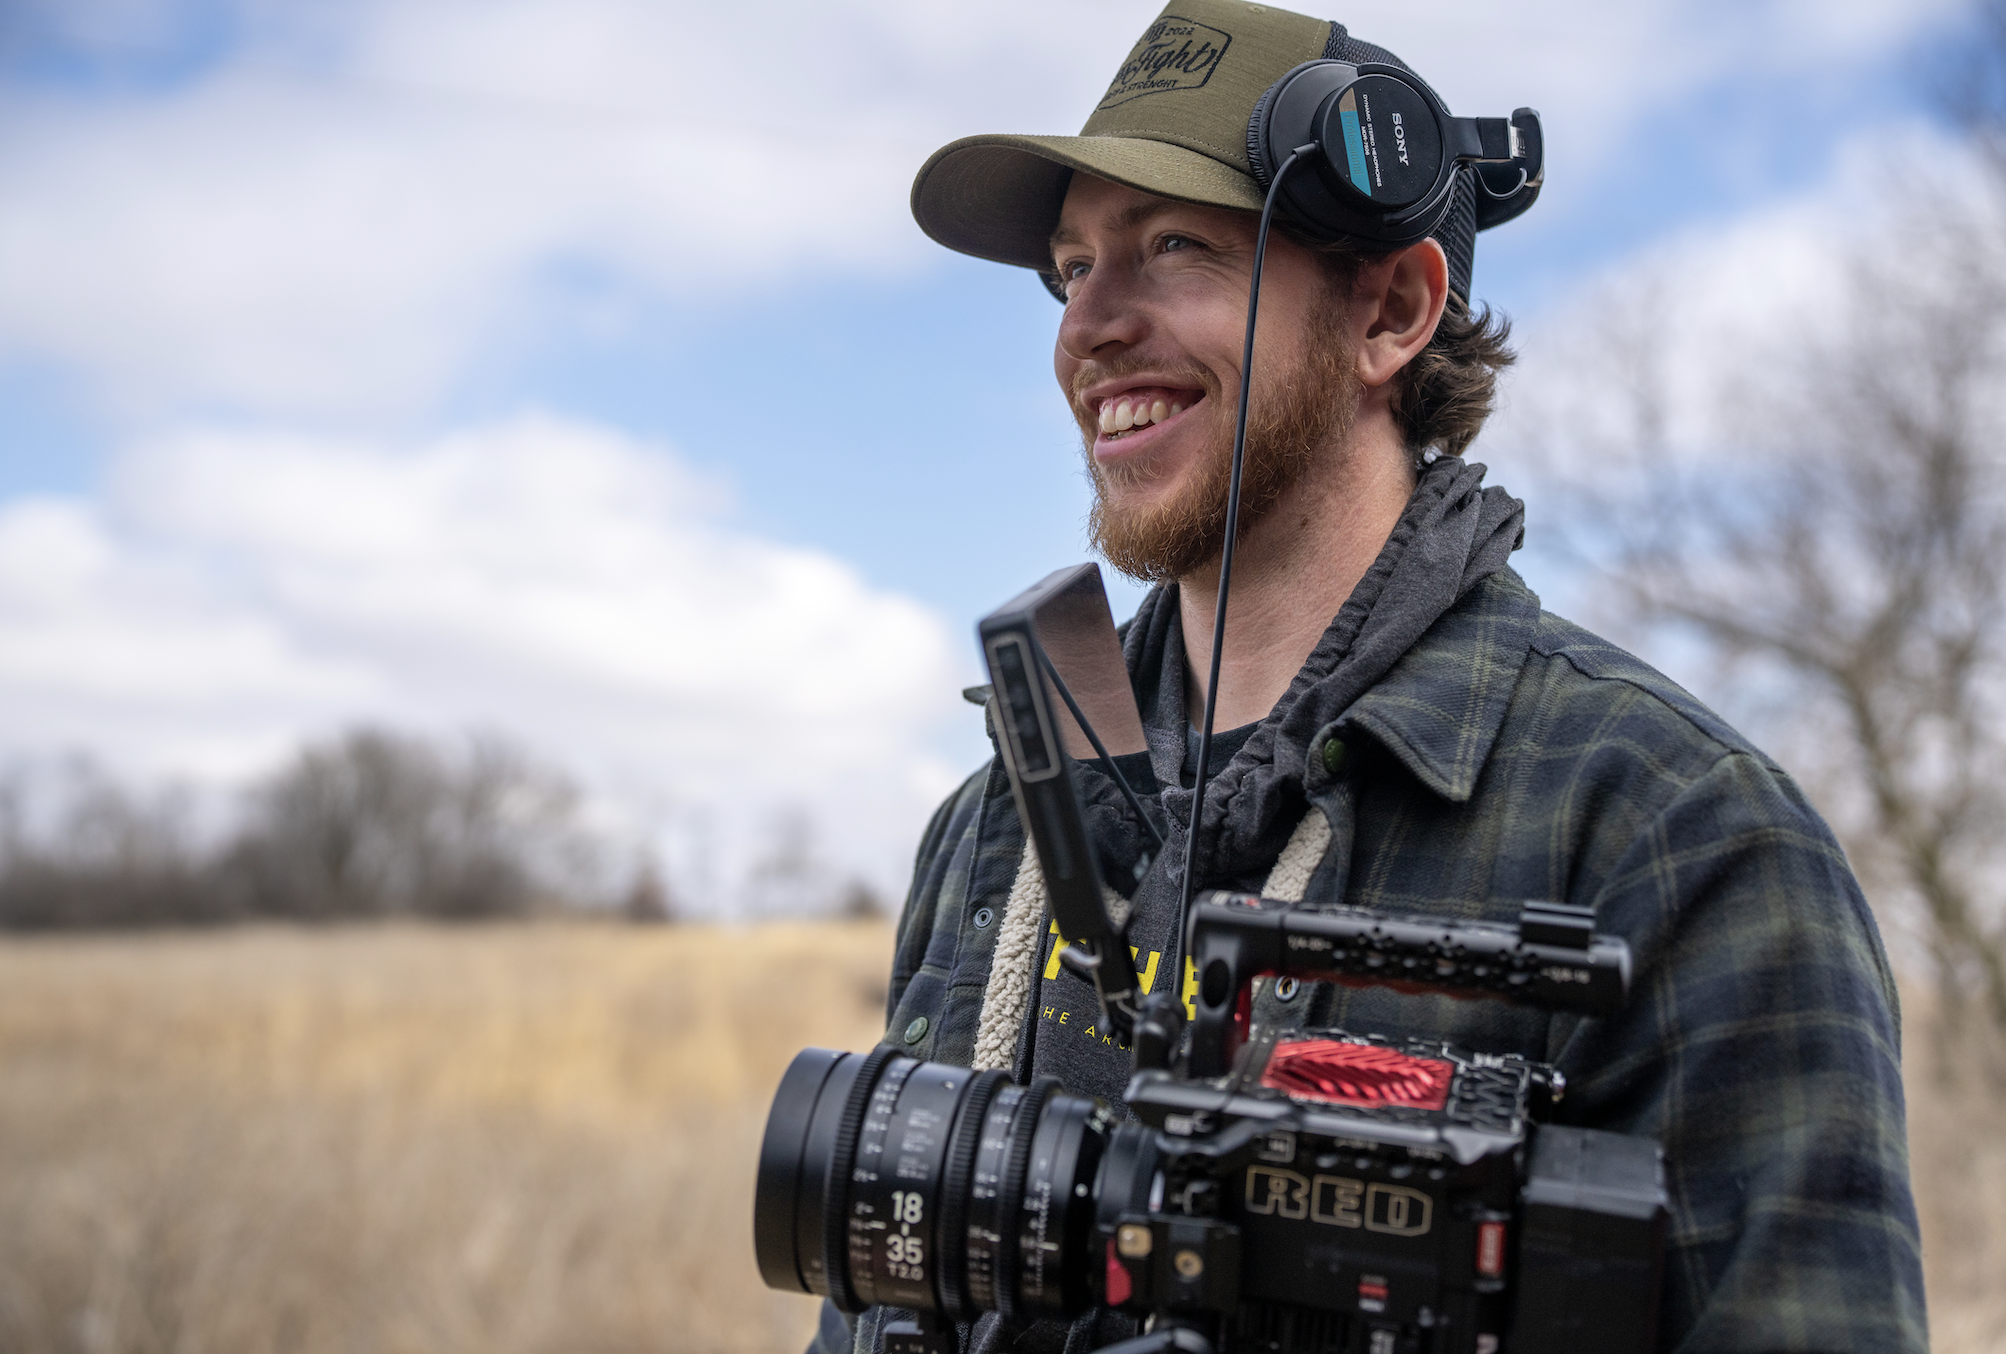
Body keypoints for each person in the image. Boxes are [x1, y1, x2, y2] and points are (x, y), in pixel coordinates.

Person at [820, 2, 1926, 1351]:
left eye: (1173, 245)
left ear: (1390, 309)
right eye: (1069, 270)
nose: (1086, 328)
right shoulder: (992, 834)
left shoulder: (1673, 836)